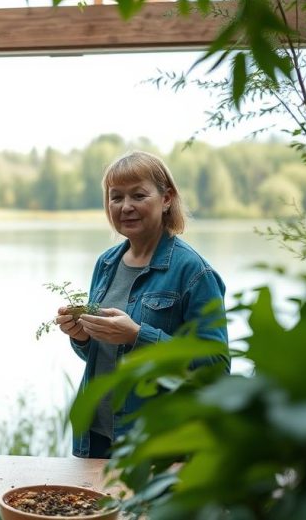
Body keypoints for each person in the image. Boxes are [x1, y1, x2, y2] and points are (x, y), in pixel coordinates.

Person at [54, 151, 229, 459]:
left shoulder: (193, 271)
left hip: (155, 443)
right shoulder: (106, 263)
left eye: (138, 195)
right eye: (116, 197)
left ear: (166, 199)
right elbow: (102, 354)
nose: (126, 207)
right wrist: (80, 336)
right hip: (94, 438)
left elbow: (216, 367)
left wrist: (138, 336)